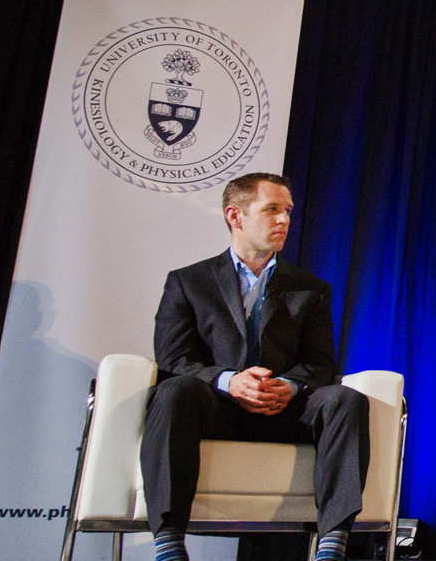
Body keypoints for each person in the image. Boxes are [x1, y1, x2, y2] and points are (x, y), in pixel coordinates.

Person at [143, 172, 371, 561]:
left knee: (345, 400)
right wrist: (228, 381)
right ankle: (168, 541)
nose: (284, 220)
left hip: (282, 410)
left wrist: (289, 384)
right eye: (272, 210)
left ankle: (332, 545)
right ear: (235, 215)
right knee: (173, 390)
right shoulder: (187, 282)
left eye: (287, 211)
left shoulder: (310, 289)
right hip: (213, 407)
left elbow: (320, 363)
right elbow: (174, 359)